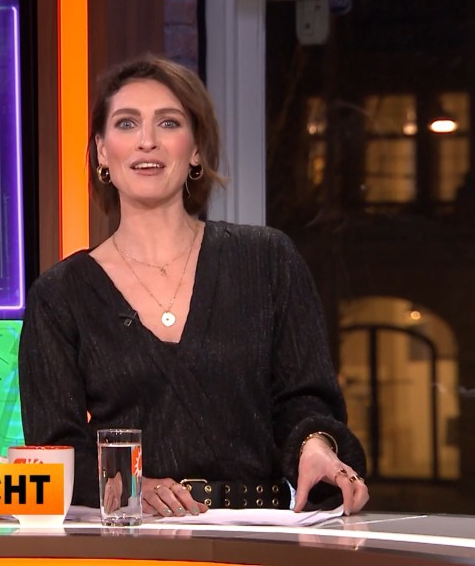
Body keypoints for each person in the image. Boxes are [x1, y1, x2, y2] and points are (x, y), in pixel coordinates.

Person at [18, 54, 369, 516]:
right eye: (126, 124)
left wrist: (315, 446)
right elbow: (54, 451)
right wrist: (131, 487)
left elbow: (306, 399)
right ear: (102, 151)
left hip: (261, 530)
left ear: (196, 148)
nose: (147, 141)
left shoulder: (266, 260)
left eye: (168, 123)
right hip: (135, 535)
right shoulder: (60, 296)